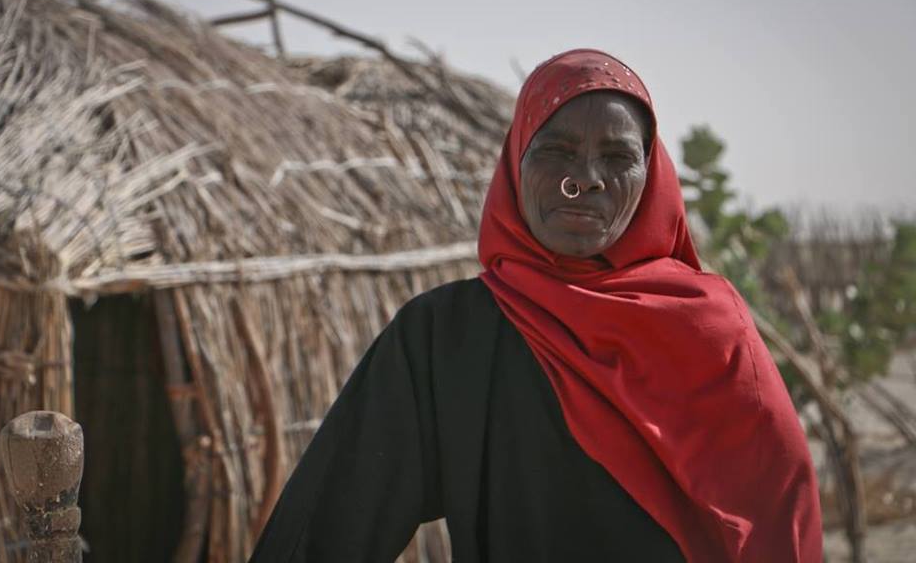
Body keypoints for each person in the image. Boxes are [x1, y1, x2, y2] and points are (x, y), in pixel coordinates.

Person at [248, 48, 823, 562]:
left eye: (618, 156)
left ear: (651, 178)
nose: (585, 180)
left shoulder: (712, 333)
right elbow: (333, 521)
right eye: (557, 150)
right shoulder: (445, 338)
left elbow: (777, 527)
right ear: (516, 161)